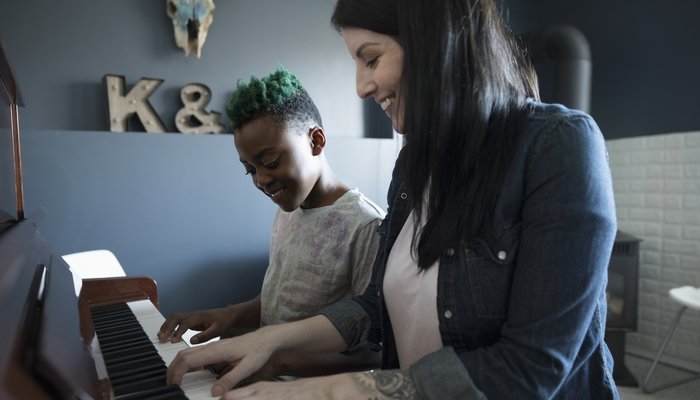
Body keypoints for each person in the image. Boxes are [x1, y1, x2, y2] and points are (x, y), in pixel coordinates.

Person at [166, 0, 620, 398]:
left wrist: (338, 389)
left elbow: (531, 368)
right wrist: (270, 341)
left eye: (370, 58)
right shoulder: (413, 166)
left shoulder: (559, 145)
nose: (361, 87)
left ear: (436, 43)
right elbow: (374, 308)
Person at [158, 67, 385, 380]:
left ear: (316, 141)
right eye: (250, 169)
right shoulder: (287, 209)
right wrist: (228, 315)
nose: (262, 180)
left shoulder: (366, 226)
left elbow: (374, 350)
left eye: (271, 162)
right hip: (264, 377)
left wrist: (276, 363)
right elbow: (283, 301)